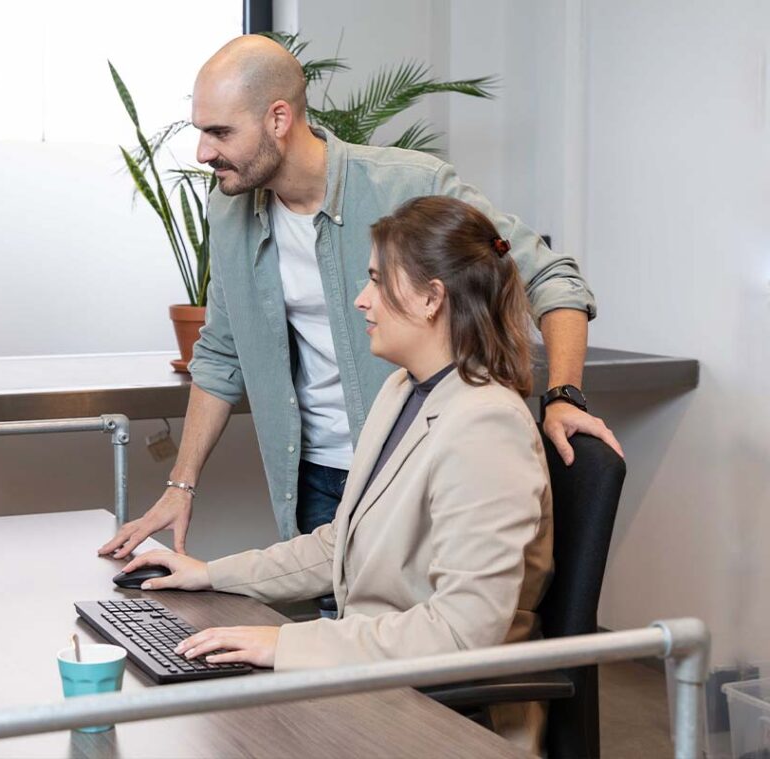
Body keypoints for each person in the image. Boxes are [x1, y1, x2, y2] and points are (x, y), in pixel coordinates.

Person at [99, 34, 620, 559]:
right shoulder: (229, 211)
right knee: (317, 606)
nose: (203, 152)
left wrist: (563, 396)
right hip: (309, 479)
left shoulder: (407, 185)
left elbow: (551, 277)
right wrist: (180, 486)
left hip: (419, 475)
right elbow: (220, 354)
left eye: (220, 132)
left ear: (278, 119)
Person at [119, 195, 554, 749]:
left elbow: (462, 630)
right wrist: (210, 573)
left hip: (444, 713)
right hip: (379, 680)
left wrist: (288, 646)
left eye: (377, 281)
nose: (360, 299)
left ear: (431, 298)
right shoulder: (403, 391)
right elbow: (340, 544)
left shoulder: (487, 425)